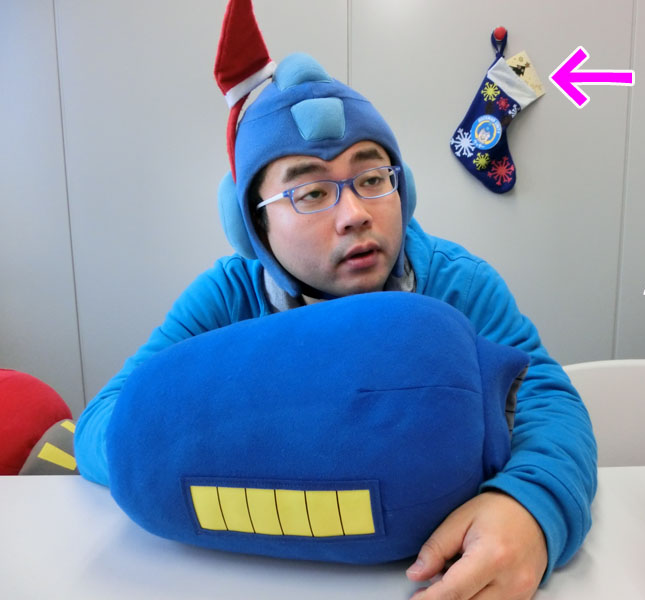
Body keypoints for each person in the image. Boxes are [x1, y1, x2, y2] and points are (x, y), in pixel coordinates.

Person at [75, 50, 597, 600]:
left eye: (372, 178)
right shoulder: (227, 298)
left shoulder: (458, 284)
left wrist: (531, 507)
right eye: (312, 193)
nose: (354, 214)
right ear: (254, 225)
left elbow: (547, 399)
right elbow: (106, 421)